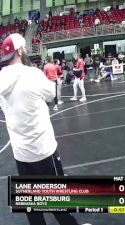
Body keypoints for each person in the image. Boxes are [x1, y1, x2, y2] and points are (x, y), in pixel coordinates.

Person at [0, 33, 83, 225]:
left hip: (22, 155)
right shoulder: (33, 75)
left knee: (33, 210)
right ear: (20, 51)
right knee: (59, 205)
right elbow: (51, 94)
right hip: (44, 152)